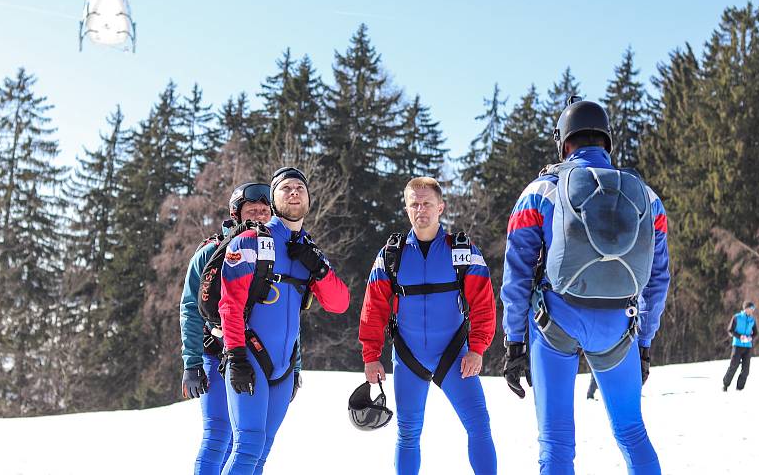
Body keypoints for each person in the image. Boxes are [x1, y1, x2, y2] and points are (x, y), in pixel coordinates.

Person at [500, 98, 670, 474]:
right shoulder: (648, 198)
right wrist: (643, 342)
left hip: (555, 323)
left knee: (556, 442)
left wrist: (514, 342)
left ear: (563, 143)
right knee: (632, 432)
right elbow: (658, 280)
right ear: (607, 142)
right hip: (618, 328)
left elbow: (517, 270)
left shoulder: (541, 191)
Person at [359, 177, 498, 475]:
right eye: (414, 204)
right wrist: (371, 355)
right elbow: (373, 309)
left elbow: (484, 304)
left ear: (441, 208)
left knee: (479, 426)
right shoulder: (390, 256)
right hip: (409, 357)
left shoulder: (463, 252)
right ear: (407, 208)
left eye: (427, 204)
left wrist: (478, 349)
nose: (420, 209)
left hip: (455, 356)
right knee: (408, 433)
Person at [219, 167, 350, 475]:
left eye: (300, 188)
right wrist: (236, 356)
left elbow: (339, 303)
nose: (294, 192)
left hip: (284, 367)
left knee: (261, 452)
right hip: (250, 357)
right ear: (273, 201)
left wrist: (318, 268)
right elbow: (230, 305)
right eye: (286, 188)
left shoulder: (310, 250)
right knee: (248, 445)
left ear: (309, 199)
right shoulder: (251, 241)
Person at [180, 182, 278, 474]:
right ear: (236, 214)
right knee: (218, 435)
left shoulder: (276, 256)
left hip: (258, 359)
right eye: (252, 211)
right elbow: (190, 308)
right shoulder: (210, 252)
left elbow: (287, 315)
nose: (259, 217)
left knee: (248, 441)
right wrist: (192, 362)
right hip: (215, 352)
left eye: (264, 211)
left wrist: (293, 366)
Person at [722, 301, 759, 391]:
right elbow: (730, 330)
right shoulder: (737, 317)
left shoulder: (752, 320)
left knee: (746, 370)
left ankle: (739, 389)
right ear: (745, 308)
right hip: (737, 345)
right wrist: (740, 337)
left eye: (753, 309)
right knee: (734, 365)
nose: (752, 311)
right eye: (751, 309)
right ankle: (725, 385)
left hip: (748, 346)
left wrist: (751, 338)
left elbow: (755, 333)